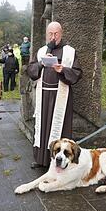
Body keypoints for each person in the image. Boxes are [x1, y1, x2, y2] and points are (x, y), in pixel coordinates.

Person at [27, 21, 82, 168]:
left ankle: (61, 161)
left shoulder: (70, 51)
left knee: (59, 128)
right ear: (47, 35)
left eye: (56, 34)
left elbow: (77, 73)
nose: (53, 37)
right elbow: (31, 70)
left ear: (61, 34)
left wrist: (62, 70)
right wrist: (41, 64)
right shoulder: (41, 51)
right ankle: (41, 159)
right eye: (50, 34)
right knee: (42, 127)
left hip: (61, 98)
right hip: (44, 96)